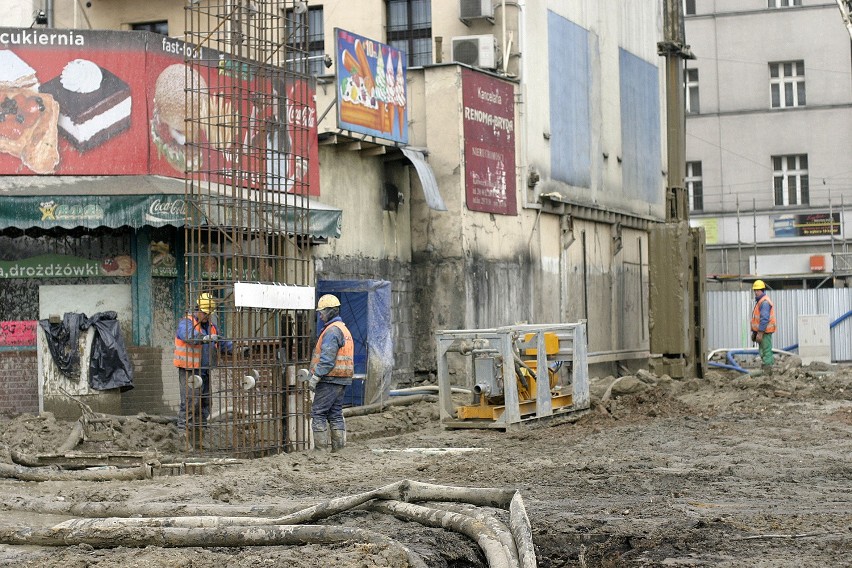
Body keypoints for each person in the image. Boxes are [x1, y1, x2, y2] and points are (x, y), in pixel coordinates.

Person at [173, 292, 232, 430]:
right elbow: (188, 335)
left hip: (205, 370)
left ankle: (201, 429)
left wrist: (237, 348)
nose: (207, 316)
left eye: (209, 313)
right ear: (198, 309)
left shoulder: (211, 326)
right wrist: (203, 338)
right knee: (190, 401)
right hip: (190, 369)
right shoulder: (187, 323)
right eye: (205, 313)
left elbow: (221, 342)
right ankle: (184, 430)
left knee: (205, 402)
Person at [306, 294, 354, 452]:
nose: (320, 315)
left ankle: (320, 451)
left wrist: (315, 377)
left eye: (322, 312)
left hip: (329, 379)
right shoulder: (343, 329)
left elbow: (327, 359)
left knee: (318, 413)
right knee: (335, 414)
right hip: (342, 379)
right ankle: (339, 450)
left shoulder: (332, 331)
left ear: (331, 311)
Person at [750, 280, 776, 371]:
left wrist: (760, 333)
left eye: (758, 290)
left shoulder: (764, 302)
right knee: (763, 351)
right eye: (755, 290)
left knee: (766, 351)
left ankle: (768, 370)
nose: (756, 292)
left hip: (765, 332)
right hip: (762, 331)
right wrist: (755, 332)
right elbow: (757, 319)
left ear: (762, 290)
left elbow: (764, 319)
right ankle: (768, 369)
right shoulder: (760, 301)